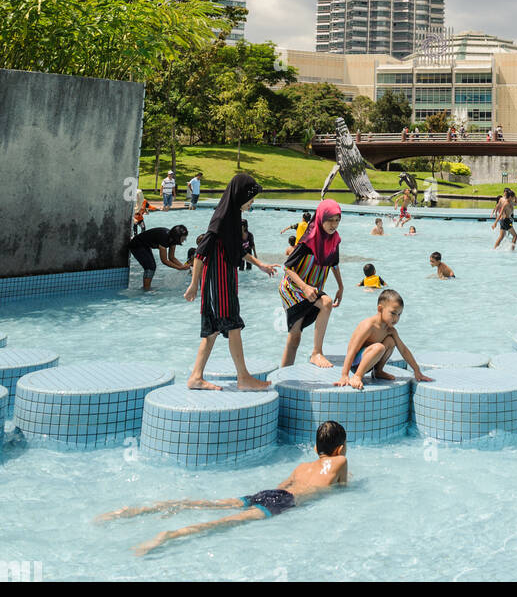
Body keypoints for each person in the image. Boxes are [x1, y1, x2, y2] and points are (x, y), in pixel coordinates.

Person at [96, 420, 349, 555]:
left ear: (316, 449)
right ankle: (170, 535)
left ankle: (138, 510)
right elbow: (342, 487)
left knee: (212, 504)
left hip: (270, 493)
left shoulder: (301, 467)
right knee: (226, 521)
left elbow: (282, 486)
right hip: (284, 502)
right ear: (340, 449)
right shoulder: (341, 460)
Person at [185, 173, 276, 391]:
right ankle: (243, 378)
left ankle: (196, 377)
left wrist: (260, 265)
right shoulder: (222, 218)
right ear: (240, 195)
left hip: (224, 280)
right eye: (251, 198)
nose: (252, 203)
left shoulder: (233, 217)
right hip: (218, 282)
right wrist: (194, 285)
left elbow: (238, 251)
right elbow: (200, 253)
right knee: (233, 324)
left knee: (213, 330)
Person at [279, 199, 344, 370]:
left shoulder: (334, 240)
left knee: (295, 337)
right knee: (326, 303)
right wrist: (305, 287)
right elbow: (287, 268)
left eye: (337, 220)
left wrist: (340, 286)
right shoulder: (308, 241)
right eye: (330, 219)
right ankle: (316, 353)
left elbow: (334, 263)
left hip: (312, 289)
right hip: (293, 288)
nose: (334, 224)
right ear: (321, 218)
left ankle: (284, 373)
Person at [336, 290, 432, 390]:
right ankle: (357, 376)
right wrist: (344, 375)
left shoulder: (390, 330)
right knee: (379, 347)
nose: (396, 318)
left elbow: (403, 350)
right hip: (356, 363)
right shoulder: (369, 325)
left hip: (371, 361)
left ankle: (378, 371)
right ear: (380, 309)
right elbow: (352, 349)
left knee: (391, 341)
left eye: (399, 314)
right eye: (393, 313)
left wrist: (417, 370)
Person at [129, 225, 190, 291]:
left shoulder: (173, 240)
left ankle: (146, 288)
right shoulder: (164, 238)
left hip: (145, 245)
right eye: (183, 238)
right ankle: (146, 289)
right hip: (136, 245)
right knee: (150, 266)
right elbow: (164, 261)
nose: (184, 240)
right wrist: (179, 268)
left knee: (151, 266)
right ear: (177, 237)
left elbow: (172, 258)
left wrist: (183, 267)